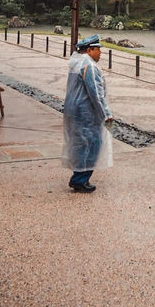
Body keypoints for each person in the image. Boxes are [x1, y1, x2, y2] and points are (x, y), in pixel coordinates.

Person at [62, 34, 114, 193]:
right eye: (98, 49)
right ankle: (80, 179)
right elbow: (96, 93)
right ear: (90, 49)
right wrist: (106, 114)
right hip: (86, 112)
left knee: (80, 144)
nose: (100, 53)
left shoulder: (77, 63)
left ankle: (79, 177)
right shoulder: (89, 66)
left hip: (74, 110)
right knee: (92, 144)